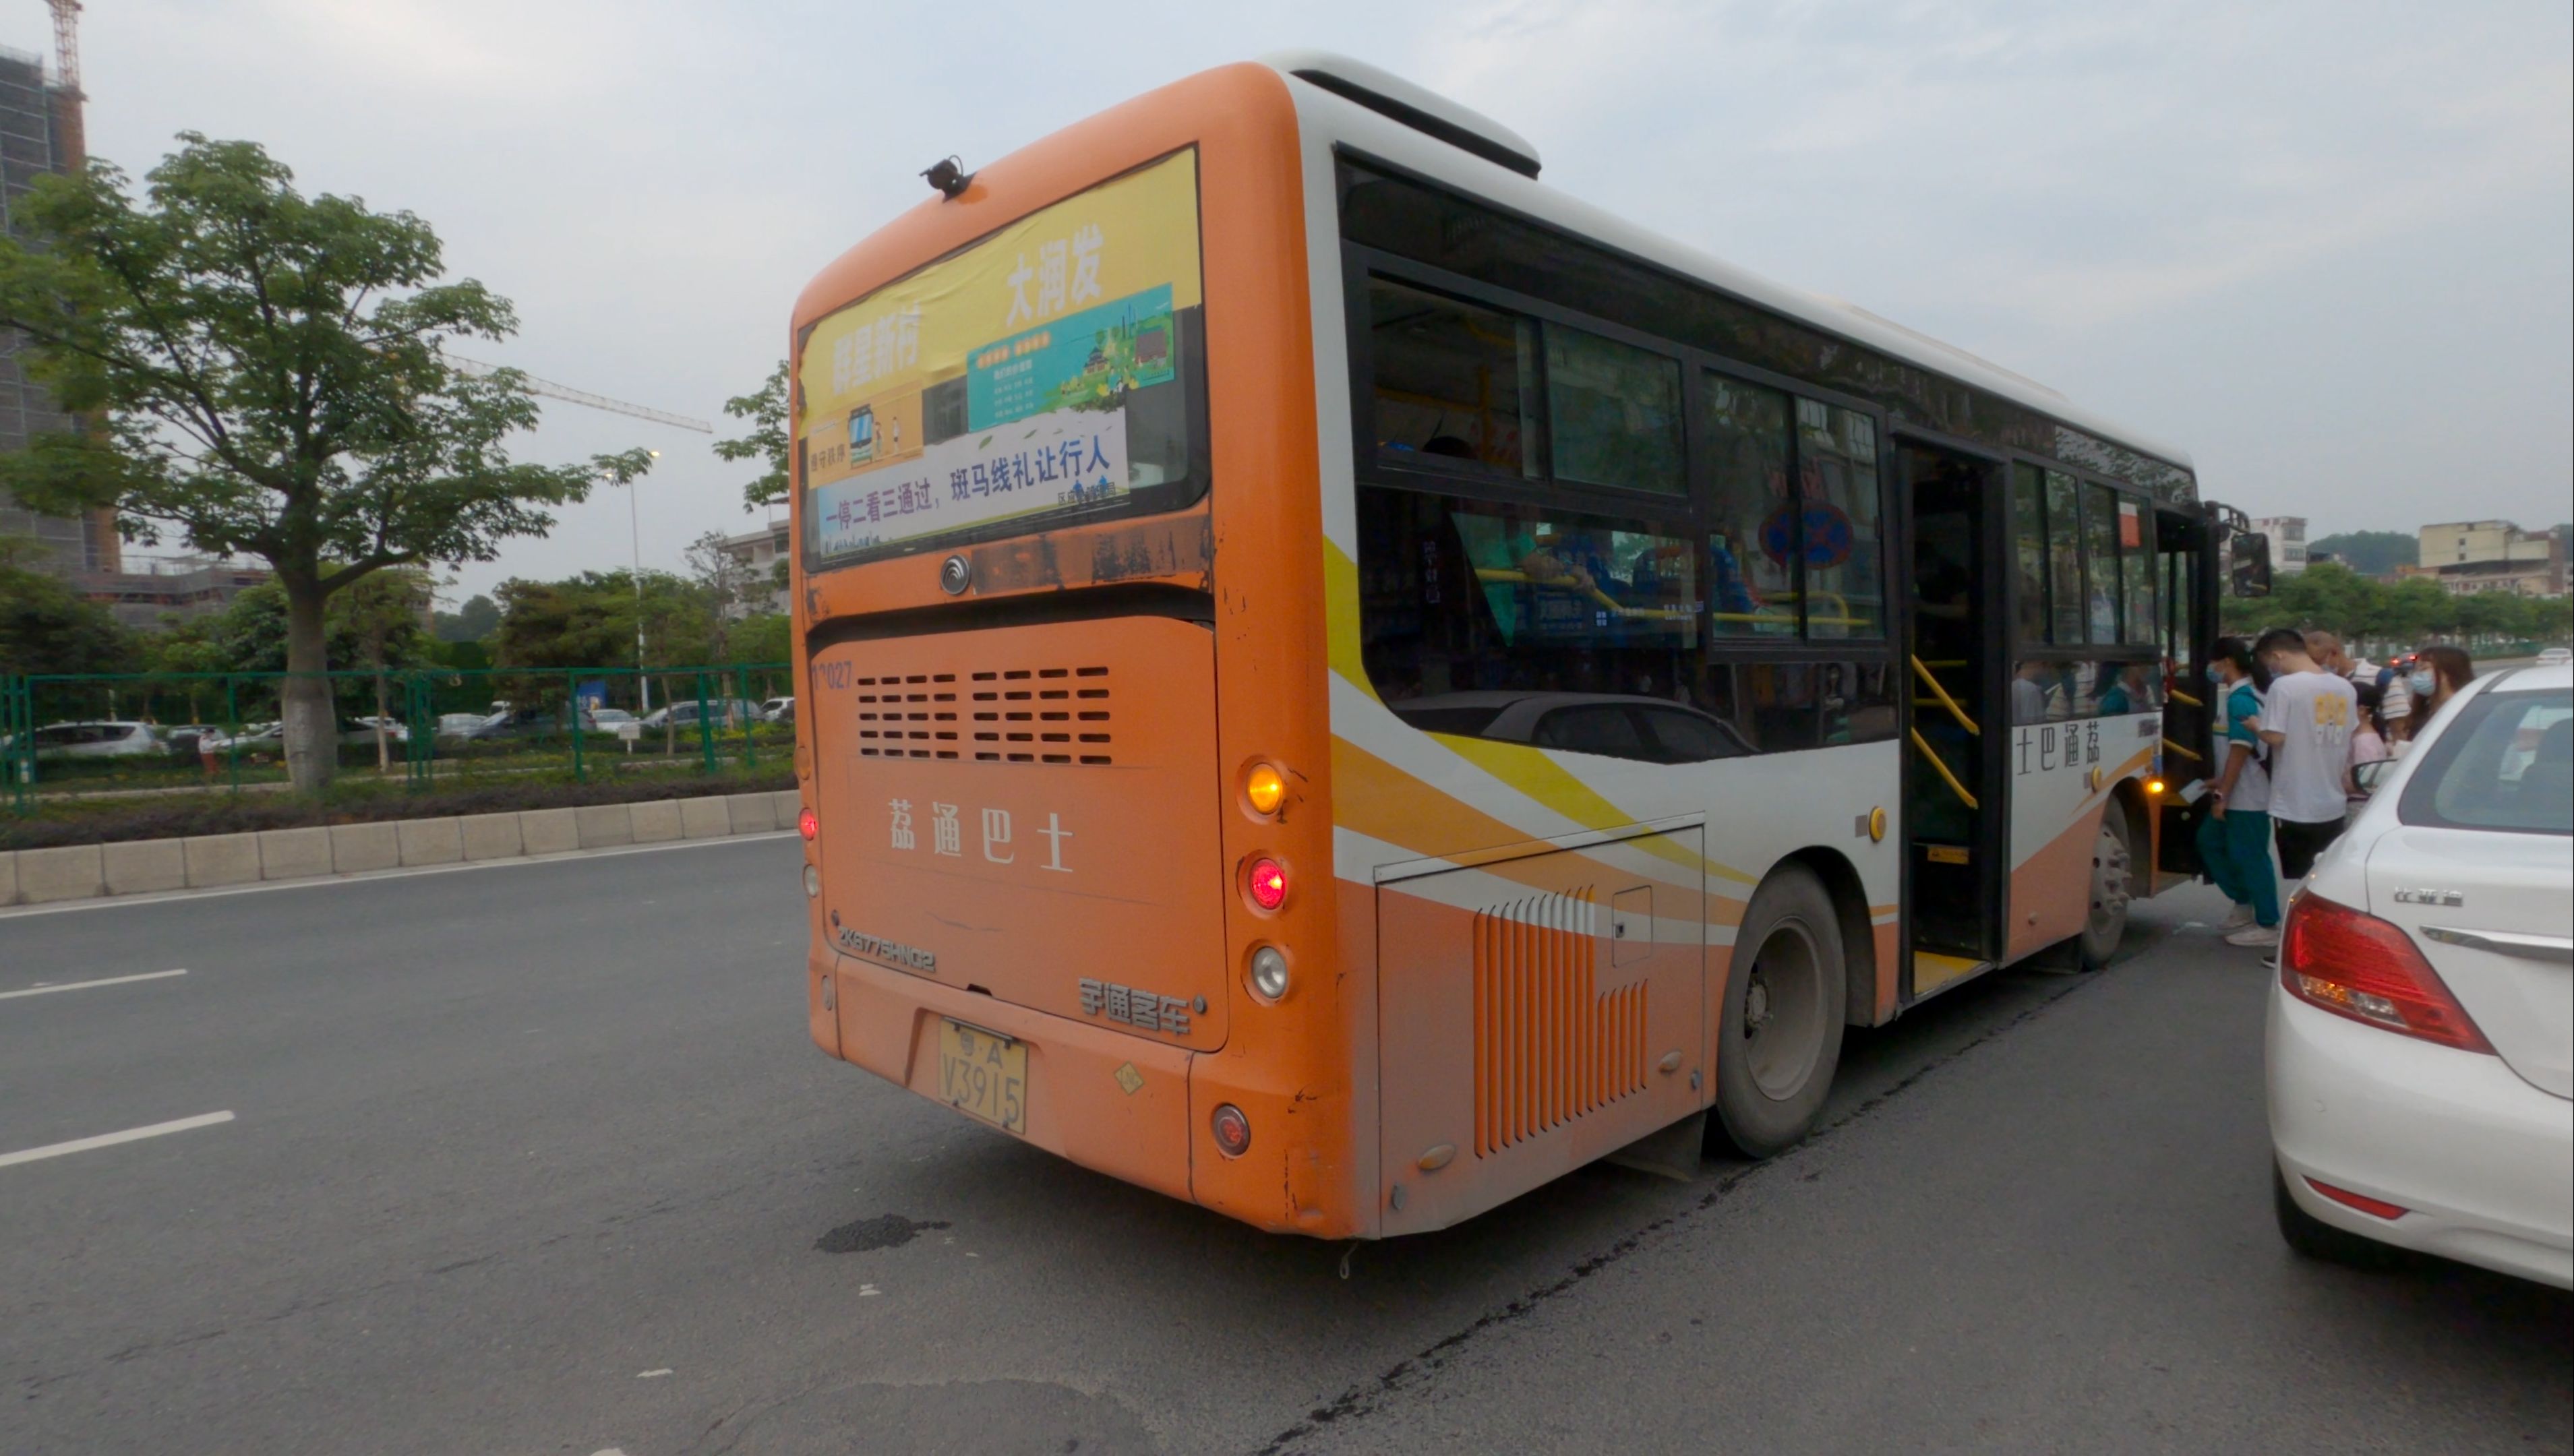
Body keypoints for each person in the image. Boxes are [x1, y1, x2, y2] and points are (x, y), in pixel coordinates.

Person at [2249, 626, 2360, 916]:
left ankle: (2305, 944)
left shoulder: (2285, 687)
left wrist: (2254, 726)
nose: (2272, 670)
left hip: (2296, 802)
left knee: (2303, 882)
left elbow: (2275, 736)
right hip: (2332, 800)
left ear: (2277, 655)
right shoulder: (2344, 687)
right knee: (2324, 876)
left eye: (2270, 663)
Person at [2198, 637, 2280, 943]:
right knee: (2209, 841)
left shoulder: (2240, 700)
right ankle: (2244, 904)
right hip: (2239, 790)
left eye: (2213, 662)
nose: (2210, 669)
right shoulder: (2245, 695)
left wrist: (2223, 795)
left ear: (2227, 663)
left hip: (2248, 796)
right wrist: (2220, 782)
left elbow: (2240, 750)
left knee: (2252, 857)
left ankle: (2268, 923)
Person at [2407, 644, 2475, 735]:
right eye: (2416, 670)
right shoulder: (2423, 712)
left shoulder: (2465, 711)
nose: (2417, 675)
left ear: (2448, 673)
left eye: (2424, 668)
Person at [2345, 680, 2390, 808]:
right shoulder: (2361, 738)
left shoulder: (2364, 742)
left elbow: (2365, 782)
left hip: (2358, 804)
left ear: (2361, 710)